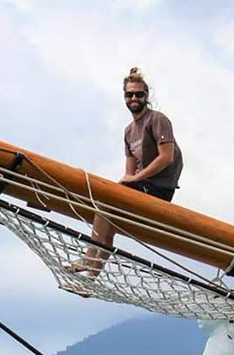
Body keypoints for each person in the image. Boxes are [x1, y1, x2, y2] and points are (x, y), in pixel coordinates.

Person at [66, 67, 183, 278]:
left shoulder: (157, 120)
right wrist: (128, 183)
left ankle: (88, 258)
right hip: (142, 186)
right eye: (130, 94)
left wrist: (135, 179)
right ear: (124, 97)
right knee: (107, 217)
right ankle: (91, 279)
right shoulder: (129, 131)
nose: (134, 98)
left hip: (160, 189)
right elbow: (129, 172)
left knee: (105, 201)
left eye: (139, 94)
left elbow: (167, 157)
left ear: (146, 96)